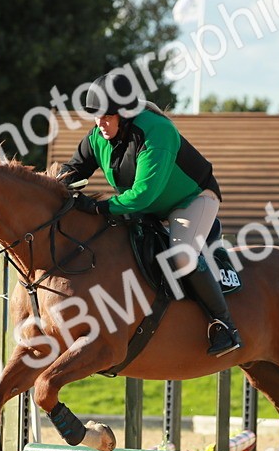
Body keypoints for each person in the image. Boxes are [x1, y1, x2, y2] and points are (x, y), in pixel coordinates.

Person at [56, 71, 241, 357]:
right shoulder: (98, 136)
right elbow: (72, 171)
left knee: (181, 256)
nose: (100, 123)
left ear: (126, 114)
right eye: (96, 116)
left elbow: (144, 195)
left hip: (191, 200)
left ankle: (225, 326)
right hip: (148, 207)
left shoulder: (156, 131)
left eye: (107, 116)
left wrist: (98, 207)